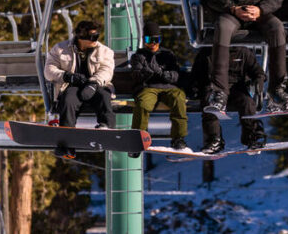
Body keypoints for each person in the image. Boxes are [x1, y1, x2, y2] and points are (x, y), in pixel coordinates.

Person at [43, 19, 115, 159]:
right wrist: (67, 76)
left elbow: (107, 70)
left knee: (104, 96)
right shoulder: (60, 49)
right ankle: (67, 141)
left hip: (96, 85)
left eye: (97, 36)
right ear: (81, 37)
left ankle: (106, 127)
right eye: (92, 37)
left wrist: (94, 83)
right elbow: (49, 70)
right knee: (68, 100)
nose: (96, 40)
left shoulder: (104, 51)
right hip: (72, 86)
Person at [188, 46, 267, 153]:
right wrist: (194, 88)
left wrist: (259, 80)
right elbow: (196, 74)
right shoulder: (208, 53)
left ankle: (250, 136)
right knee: (210, 103)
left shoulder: (242, 52)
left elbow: (257, 71)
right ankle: (213, 139)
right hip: (215, 88)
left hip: (235, 87)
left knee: (247, 102)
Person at [128, 21, 188, 156]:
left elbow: (176, 74)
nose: (153, 44)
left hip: (168, 88)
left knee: (179, 100)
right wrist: (148, 72)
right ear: (144, 40)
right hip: (149, 88)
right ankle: (137, 139)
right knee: (143, 104)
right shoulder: (139, 56)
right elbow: (137, 76)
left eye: (157, 40)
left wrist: (164, 74)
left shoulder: (168, 55)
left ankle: (178, 138)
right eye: (150, 40)